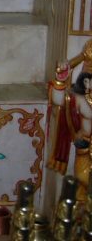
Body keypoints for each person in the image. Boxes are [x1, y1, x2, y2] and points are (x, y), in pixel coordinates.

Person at [48, 40, 92, 200]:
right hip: (85, 148)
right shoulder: (80, 98)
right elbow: (58, 100)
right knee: (82, 181)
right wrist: (61, 79)